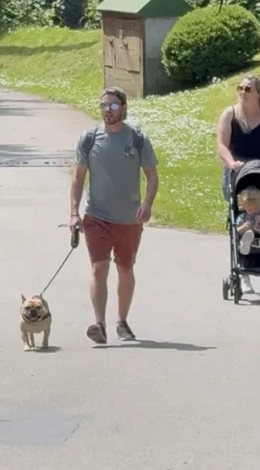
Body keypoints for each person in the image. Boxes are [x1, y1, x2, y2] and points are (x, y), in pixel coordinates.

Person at [69, 87, 158, 345]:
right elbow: (77, 177)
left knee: (125, 268)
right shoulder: (89, 138)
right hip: (96, 216)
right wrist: (74, 213)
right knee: (99, 267)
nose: (108, 111)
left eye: (113, 106)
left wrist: (148, 204)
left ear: (124, 108)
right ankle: (100, 324)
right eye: (104, 106)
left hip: (130, 219)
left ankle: (122, 321)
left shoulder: (138, 138)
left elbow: (152, 176)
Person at [216, 74, 260, 294]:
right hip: (238, 174)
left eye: (248, 89)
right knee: (244, 219)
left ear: (259, 94)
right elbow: (221, 145)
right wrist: (231, 163)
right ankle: (243, 272)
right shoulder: (230, 115)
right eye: (241, 88)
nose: (243, 92)